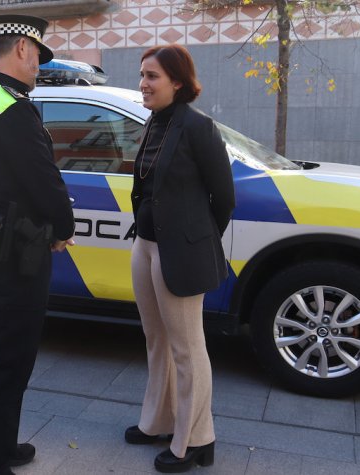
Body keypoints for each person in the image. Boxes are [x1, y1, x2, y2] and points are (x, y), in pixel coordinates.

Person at [0, 14, 75, 475]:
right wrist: (63, 225)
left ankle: (0, 443)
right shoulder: (11, 105)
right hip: (12, 249)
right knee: (11, 354)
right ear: (22, 49)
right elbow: (41, 177)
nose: (38, 68)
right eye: (37, 56)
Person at [125, 44, 235, 473]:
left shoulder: (198, 127)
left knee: (188, 349)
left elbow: (224, 197)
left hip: (178, 253)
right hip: (146, 245)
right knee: (157, 342)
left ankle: (196, 440)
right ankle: (158, 421)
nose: (143, 84)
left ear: (177, 81)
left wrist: (194, 241)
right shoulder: (155, 122)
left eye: (151, 76)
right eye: (142, 75)